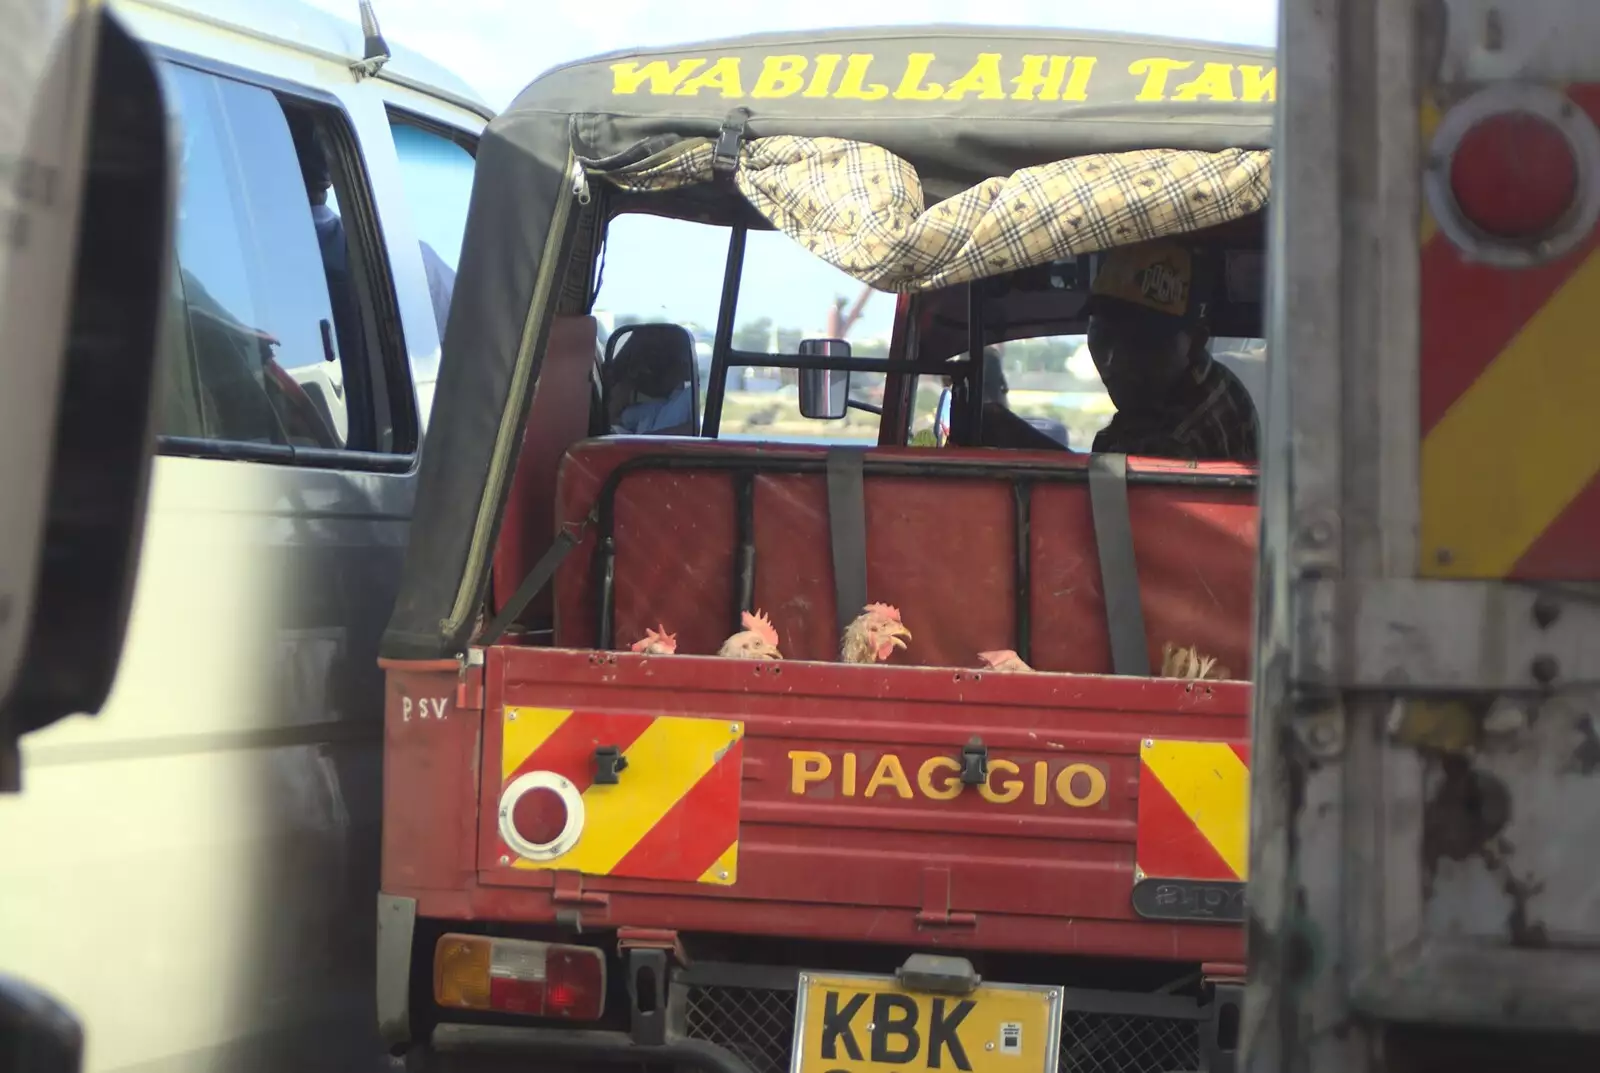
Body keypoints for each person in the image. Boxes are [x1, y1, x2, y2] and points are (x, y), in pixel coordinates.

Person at [1084, 239, 1258, 462]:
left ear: (1196, 341)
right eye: (1102, 334)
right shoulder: (1219, 381)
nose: (1112, 360)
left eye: (1140, 341)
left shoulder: (1168, 446)